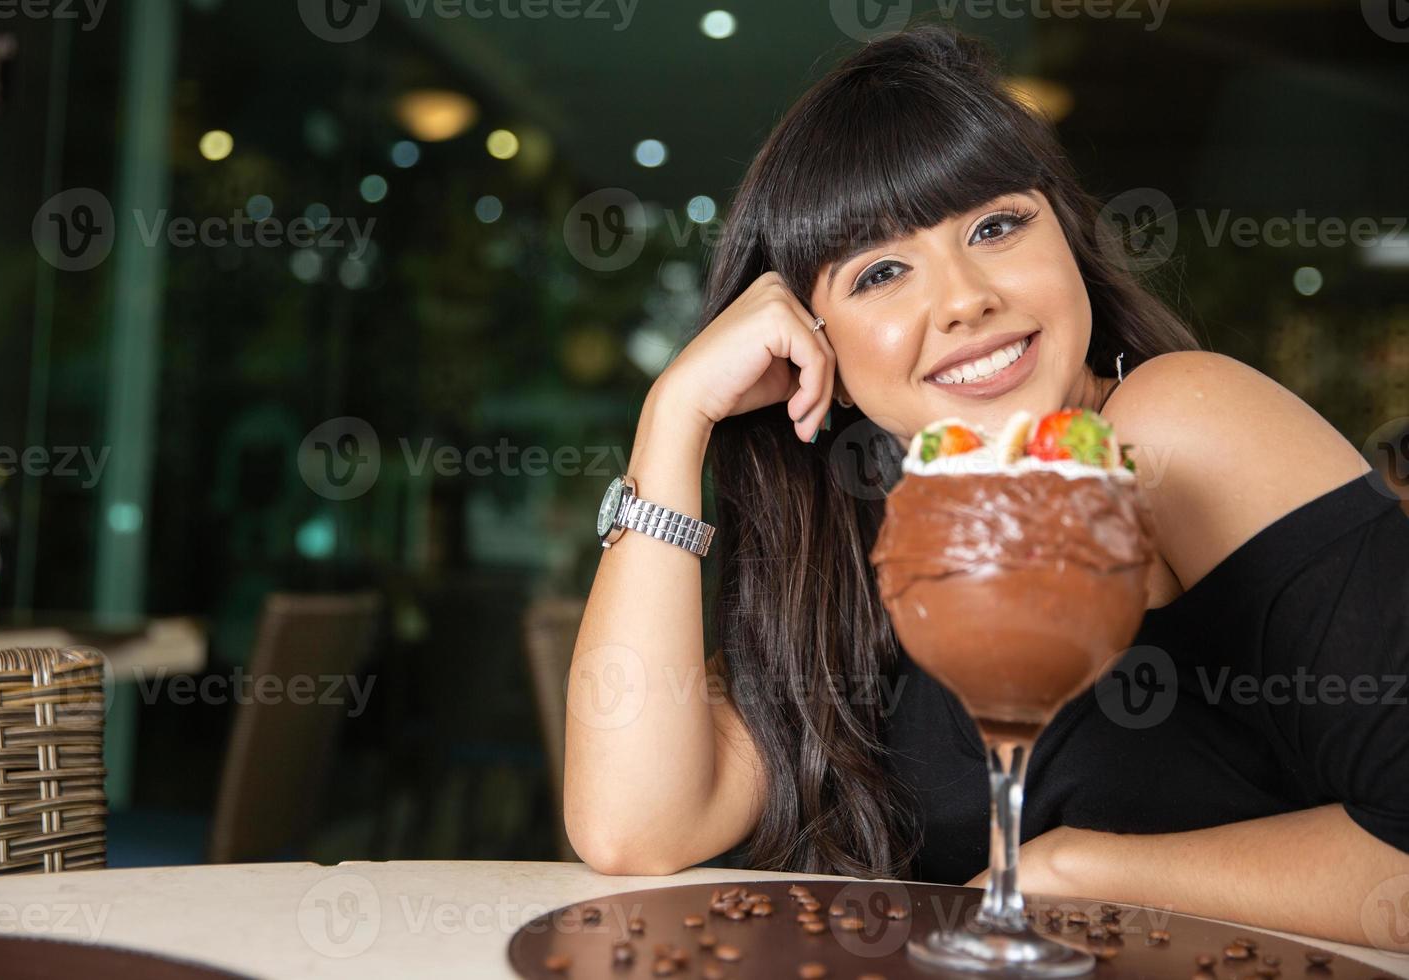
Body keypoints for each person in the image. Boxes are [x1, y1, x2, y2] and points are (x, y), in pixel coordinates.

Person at [564, 23, 1409, 947]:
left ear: (1070, 238)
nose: (965, 298)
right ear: (814, 344)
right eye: (881, 272)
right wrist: (674, 417)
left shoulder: (1172, 427)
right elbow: (634, 828)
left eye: (996, 226)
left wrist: (1074, 871)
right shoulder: (866, 537)